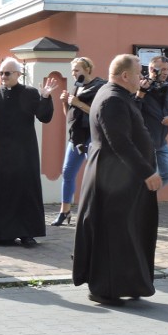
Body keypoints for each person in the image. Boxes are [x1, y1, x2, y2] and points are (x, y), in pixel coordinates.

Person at [73, 54, 162, 305]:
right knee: (113, 233)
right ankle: (104, 288)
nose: (141, 78)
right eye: (138, 73)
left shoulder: (117, 95)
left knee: (127, 232)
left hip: (120, 177)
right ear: (125, 76)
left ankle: (129, 282)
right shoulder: (112, 98)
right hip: (113, 178)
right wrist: (147, 172)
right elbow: (120, 142)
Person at [0, 57, 57, 247]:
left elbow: (44, 117)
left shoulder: (31, 93)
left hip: (25, 154)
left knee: (26, 193)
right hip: (1, 154)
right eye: (1, 73)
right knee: (2, 193)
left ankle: (27, 234)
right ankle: (3, 233)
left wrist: (46, 97)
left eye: (7, 73)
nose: (3, 76)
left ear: (18, 74)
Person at [54, 57, 106, 226]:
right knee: (67, 172)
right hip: (75, 136)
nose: (74, 74)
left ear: (88, 69)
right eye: (72, 71)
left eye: (77, 70)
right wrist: (65, 103)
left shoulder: (100, 86)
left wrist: (77, 102)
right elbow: (70, 115)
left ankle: (97, 213)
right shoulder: (78, 86)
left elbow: (98, 114)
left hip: (92, 135)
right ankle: (65, 211)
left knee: (94, 175)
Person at [136, 55, 168, 187]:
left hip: (161, 141)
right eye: (162, 69)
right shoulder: (140, 86)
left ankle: (142, 197)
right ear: (152, 69)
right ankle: (144, 201)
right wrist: (141, 93)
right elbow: (133, 110)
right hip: (145, 140)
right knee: (152, 176)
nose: (166, 72)